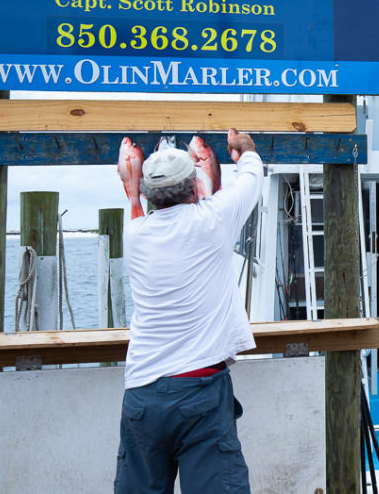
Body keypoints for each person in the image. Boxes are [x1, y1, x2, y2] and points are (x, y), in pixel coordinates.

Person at [114, 128, 262, 494]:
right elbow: (252, 177)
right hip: (200, 392)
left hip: (142, 395)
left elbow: (138, 206)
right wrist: (245, 150)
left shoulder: (134, 236)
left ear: (148, 194)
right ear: (195, 187)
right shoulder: (213, 221)